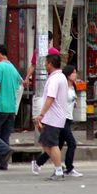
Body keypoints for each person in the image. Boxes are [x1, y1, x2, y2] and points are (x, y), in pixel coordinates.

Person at [33, 64, 81, 178]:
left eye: (76, 72)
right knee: (70, 143)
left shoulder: (72, 86)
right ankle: (67, 168)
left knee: (55, 145)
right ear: (68, 74)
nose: (75, 75)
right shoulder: (60, 82)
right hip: (60, 118)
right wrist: (42, 114)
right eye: (73, 72)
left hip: (68, 118)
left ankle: (39, 163)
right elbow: (52, 98)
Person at [33, 53, 69, 181]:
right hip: (55, 116)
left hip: (53, 116)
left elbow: (50, 97)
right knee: (46, 143)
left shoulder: (54, 79)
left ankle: (59, 169)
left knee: (52, 144)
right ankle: (58, 167)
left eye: (46, 63)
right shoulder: (61, 77)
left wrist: (41, 114)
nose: (45, 65)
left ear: (50, 64)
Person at [0, 44, 22, 170]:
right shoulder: (13, 68)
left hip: (0, 105)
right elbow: (21, 83)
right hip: (11, 106)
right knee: (4, 135)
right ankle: (2, 163)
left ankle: (5, 150)